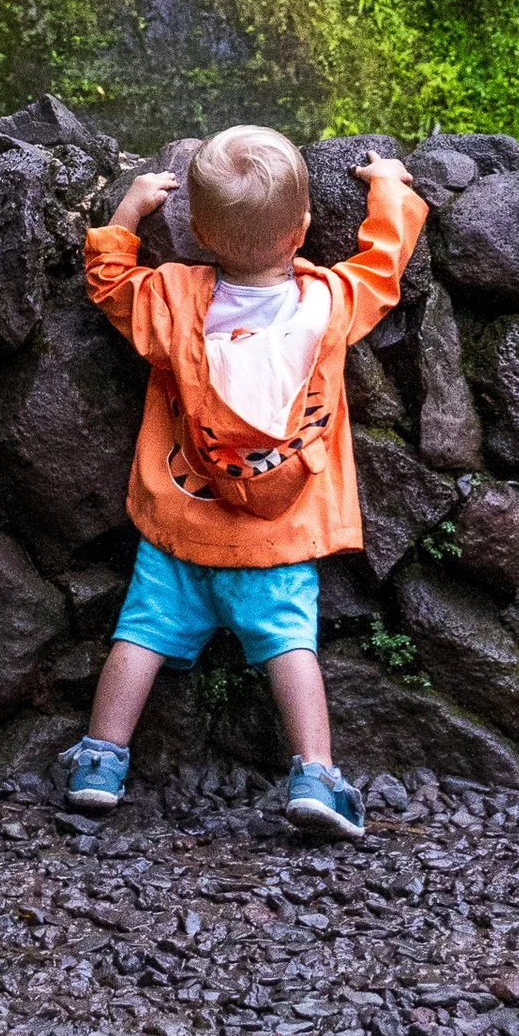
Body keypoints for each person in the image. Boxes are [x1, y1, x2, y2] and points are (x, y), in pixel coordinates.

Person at [66, 124, 428, 842]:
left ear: (198, 231)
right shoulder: (327, 306)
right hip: (279, 538)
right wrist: (388, 184)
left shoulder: (170, 302)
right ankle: (317, 774)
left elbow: (108, 281)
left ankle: (100, 762)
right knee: (291, 645)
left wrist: (130, 212)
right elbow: (384, 264)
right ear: (301, 229)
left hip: (181, 526)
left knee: (138, 637)